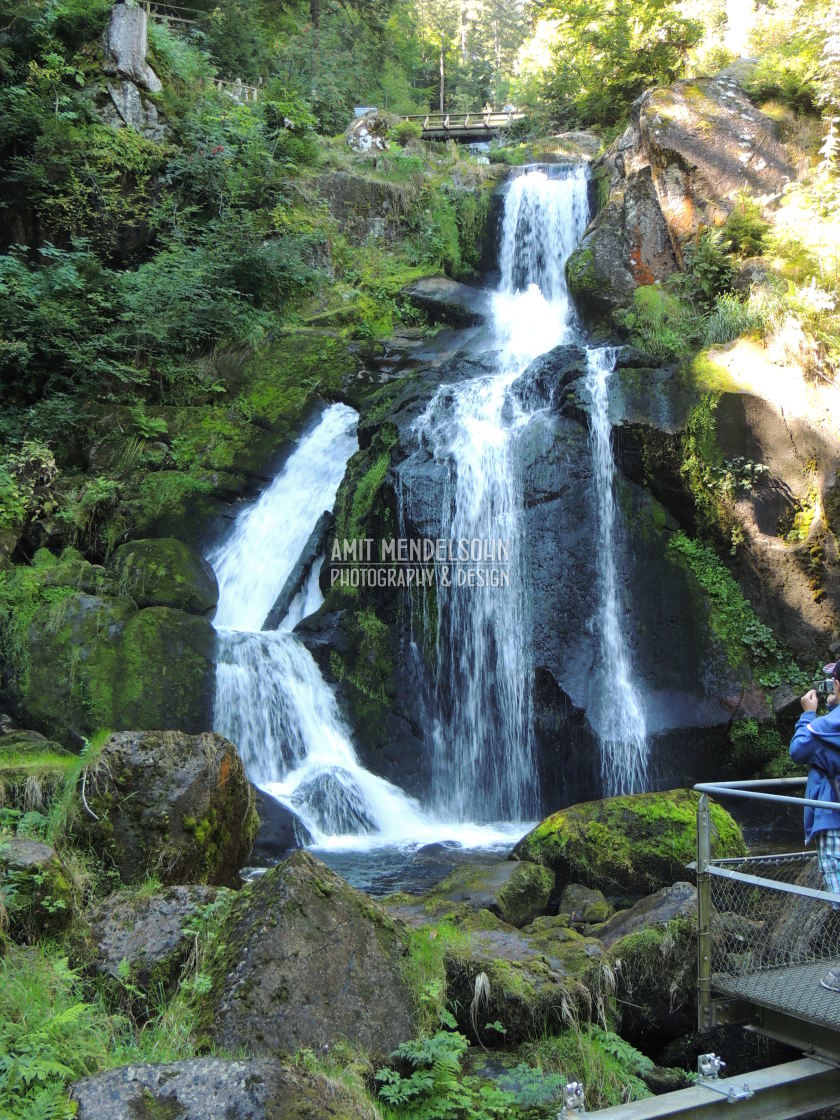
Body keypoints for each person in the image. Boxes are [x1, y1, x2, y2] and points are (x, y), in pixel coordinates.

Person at [789, 657, 840, 990]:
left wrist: (809, 712)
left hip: (833, 821)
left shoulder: (829, 724)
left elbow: (797, 749)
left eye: (834, 681)